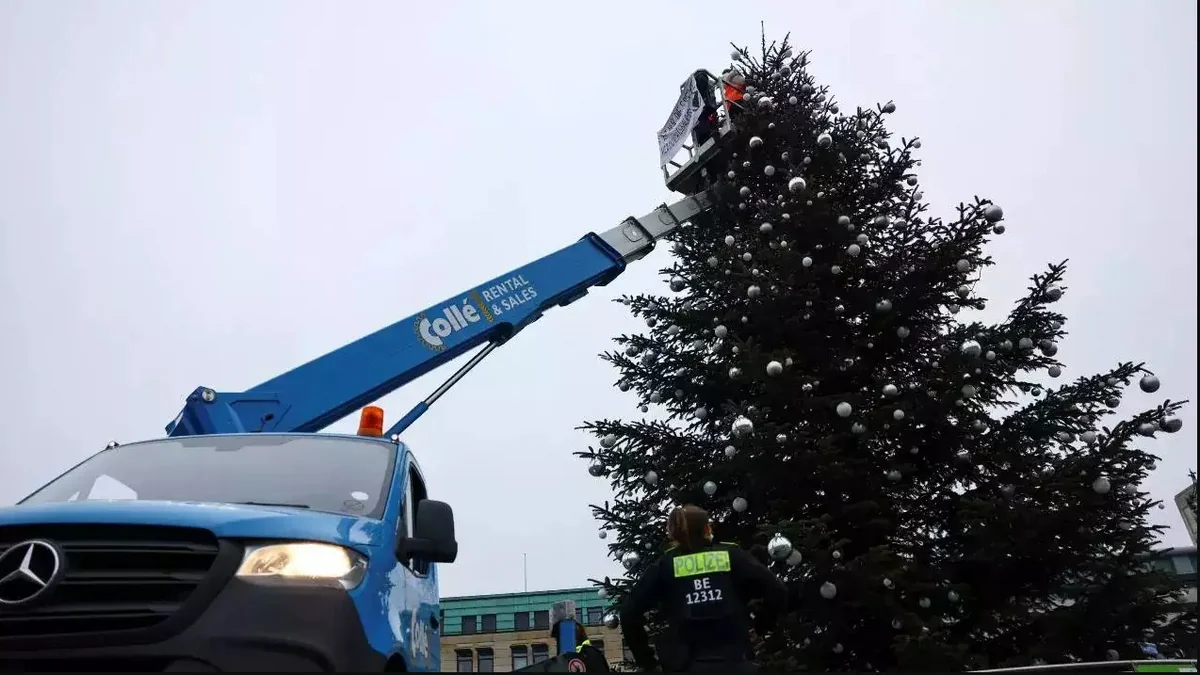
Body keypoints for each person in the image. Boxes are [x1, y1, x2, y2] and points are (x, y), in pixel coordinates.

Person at [618, 504, 788, 672]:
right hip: (736, 661)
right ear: (707, 528)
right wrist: (760, 624)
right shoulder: (731, 555)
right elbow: (777, 591)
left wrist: (647, 662)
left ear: (672, 533)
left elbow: (628, 613)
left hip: (688, 664)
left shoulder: (665, 566)